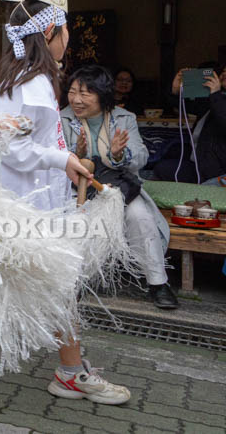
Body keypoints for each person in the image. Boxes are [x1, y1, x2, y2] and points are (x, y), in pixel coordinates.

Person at [0, 0, 130, 405]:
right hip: (25, 203)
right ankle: (69, 371)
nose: (70, 38)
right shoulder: (30, 85)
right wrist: (60, 159)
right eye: (65, 29)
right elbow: (11, 148)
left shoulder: (26, 79)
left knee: (4, 282)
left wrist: (62, 159)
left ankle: (68, 369)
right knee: (46, 281)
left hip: (30, 199)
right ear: (50, 33)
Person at [60, 65, 177, 310]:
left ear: (102, 95)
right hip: (77, 188)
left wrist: (119, 154)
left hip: (119, 186)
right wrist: (73, 156)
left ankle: (158, 282)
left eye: (85, 94)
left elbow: (142, 159)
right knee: (73, 220)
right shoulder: (62, 118)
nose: (76, 100)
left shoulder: (124, 118)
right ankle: (75, 281)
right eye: (72, 92)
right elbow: (53, 157)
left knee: (139, 216)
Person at [154, 65, 226, 185]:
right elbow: (187, 106)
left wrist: (215, 95)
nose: (224, 74)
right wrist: (175, 91)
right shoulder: (216, 98)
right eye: (223, 71)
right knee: (164, 165)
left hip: (218, 171)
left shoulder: (217, 97)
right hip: (199, 163)